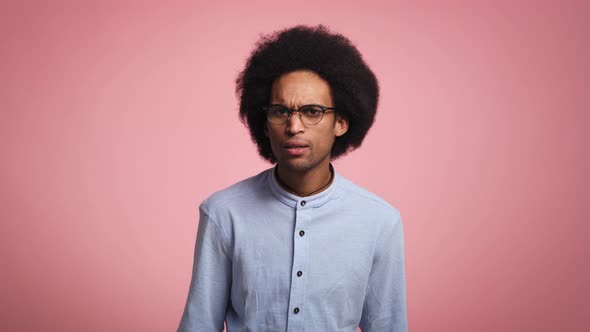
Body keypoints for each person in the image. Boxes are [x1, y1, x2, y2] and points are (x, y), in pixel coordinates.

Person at [178, 25, 407, 332]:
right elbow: (199, 325)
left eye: (312, 111)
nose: (294, 125)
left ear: (340, 122)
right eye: (280, 111)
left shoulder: (380, 222)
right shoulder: (223, 213)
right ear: (265, 121)